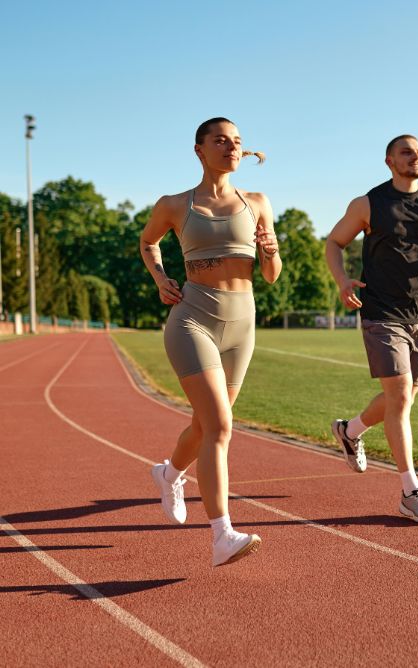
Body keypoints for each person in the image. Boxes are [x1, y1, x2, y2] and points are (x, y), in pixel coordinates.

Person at [139, 117, 281, 566]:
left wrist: (271, 250)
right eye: (220, 140)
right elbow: (148, 243)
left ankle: (168, 473)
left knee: (204, 427)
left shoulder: (257, 202)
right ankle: (222, 534)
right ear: (199, 149)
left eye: (237, 141)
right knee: (220, 426)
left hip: (242, 327)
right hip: (193, 320)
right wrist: (161, 278)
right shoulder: (175, 204)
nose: (231, 147)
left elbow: (272, 276)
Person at [325, 134, 418, 523]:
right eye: (408, 152)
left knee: (401, 400)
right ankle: (411, 491)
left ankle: (349, 430)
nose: (416, 157)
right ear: (390, 160)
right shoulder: (368, 203)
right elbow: (334, 243)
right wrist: (342, 281)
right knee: (400, 398)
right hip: (381, 312)